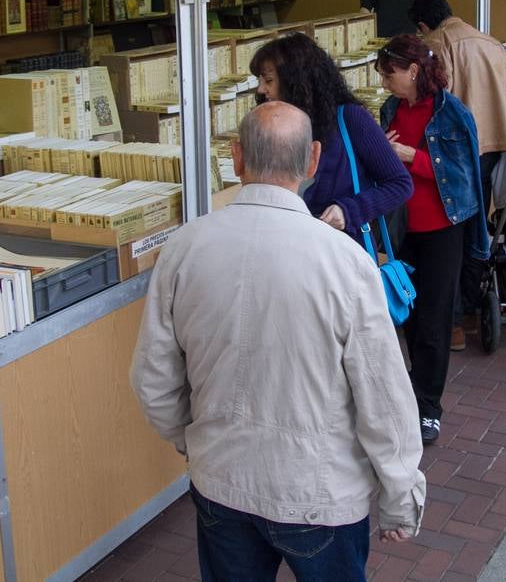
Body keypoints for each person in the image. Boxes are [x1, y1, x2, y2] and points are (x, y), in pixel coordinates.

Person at [132, 102, 426, 581]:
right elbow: (385, 396)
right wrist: (400, 494)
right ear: (312, 160)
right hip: (320, 494)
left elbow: (153, 378)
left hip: (221, 481)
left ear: (236, 158)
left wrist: (196, 438)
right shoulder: (345, 262)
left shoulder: (184, 248)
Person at [377, 35, 488, 443]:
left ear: (414, 70)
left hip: (442, 228)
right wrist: (384, 154)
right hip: (401, 227)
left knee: (435, 319)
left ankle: (428, 406)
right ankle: (411, 390)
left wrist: (410, 157)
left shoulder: (452, 113)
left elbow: (463, 176)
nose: (386, 81)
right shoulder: (391, 108)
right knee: (406, 313)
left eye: (390, 73)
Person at [408, 0, 506, 350]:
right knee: (478, 230)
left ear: (423, 25)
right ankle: (472, 310)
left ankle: (455, 323)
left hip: (454, 152)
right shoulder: (491, 42)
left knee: (452, 236)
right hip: (492, 146)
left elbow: (436, 102)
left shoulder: (435, 45)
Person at [250, 33, 412, 239]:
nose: (261, 89)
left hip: (340, 250)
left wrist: (348, 211)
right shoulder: (270, 124)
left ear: (296, 80)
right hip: (285, 245)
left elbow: (400, 184)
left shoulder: (351, 118)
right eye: (261, 80)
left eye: (269, 80)